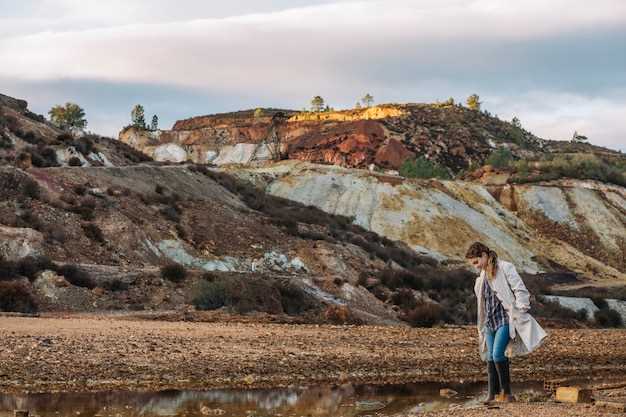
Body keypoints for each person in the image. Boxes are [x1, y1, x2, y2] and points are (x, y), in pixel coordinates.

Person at [465, 242, 547, 403]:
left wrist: (521, 309)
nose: (475, 266)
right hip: (489, 321)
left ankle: (507, 393)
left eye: (476, 262)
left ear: (484, 255)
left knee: (497, 354)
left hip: (505, 318)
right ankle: (492, 394)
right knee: (489, 356)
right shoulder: (481, 276)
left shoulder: (505, 267)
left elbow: (520, 289)